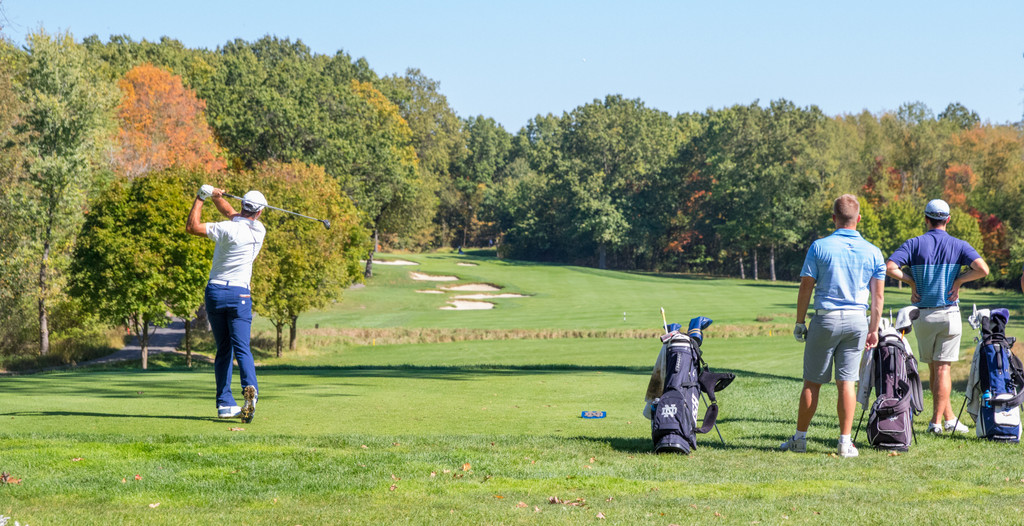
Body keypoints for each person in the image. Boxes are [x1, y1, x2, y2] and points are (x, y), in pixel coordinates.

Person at [781, 195, 885, 458]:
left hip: (825, 318)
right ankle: (844, 443)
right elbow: (878, 297)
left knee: (812, 382)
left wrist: (799, 321)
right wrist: (873, 329)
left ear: (834, 219)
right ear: (859, 218)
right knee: (847, 382)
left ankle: (800, 439)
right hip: (857, 320)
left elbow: (806, 286)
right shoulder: (873, 252)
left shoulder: (819, 247)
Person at [886, 199, 989, 435]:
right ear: (948, 220)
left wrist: (911, 280)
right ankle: (937, 422)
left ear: (926, 219)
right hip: (949, 314)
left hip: (923, 316)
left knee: (934, 369)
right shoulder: (959, 244)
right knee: (942, 370)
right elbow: (983, 269)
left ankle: (948, 418)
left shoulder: (914, 243)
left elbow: (890, 267)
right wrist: (960, 280)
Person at [186, 184, 267, 423]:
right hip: (240, 295)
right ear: (259, 212)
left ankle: (224, 403)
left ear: (244, 206)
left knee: (223, 349)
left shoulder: (226, 229)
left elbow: (192, 227)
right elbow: (233, 213)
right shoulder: (259, 231)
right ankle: (250, 390)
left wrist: (202, 198)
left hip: (215, 292)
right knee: (241, 348)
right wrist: (215, 197)